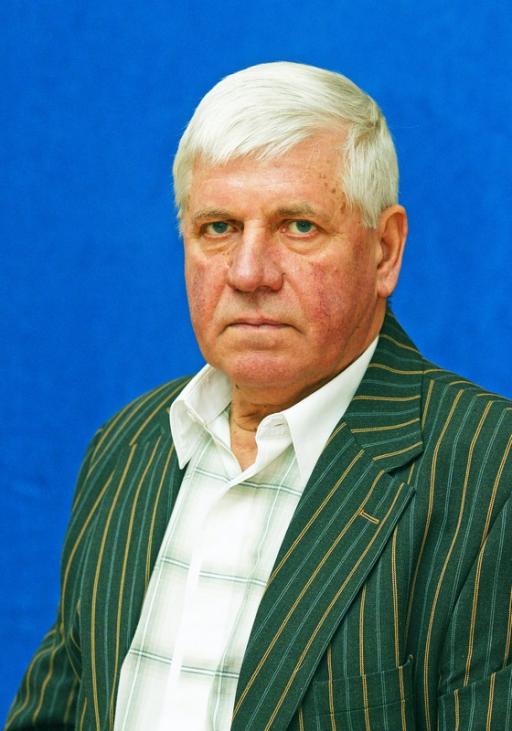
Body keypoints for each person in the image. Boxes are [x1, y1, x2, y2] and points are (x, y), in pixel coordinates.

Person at [5, 61, 512, 731]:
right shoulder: (126, 447)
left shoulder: (489, 471)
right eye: (218, 227)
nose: (248, 273)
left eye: (298, 226)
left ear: (385, 251)